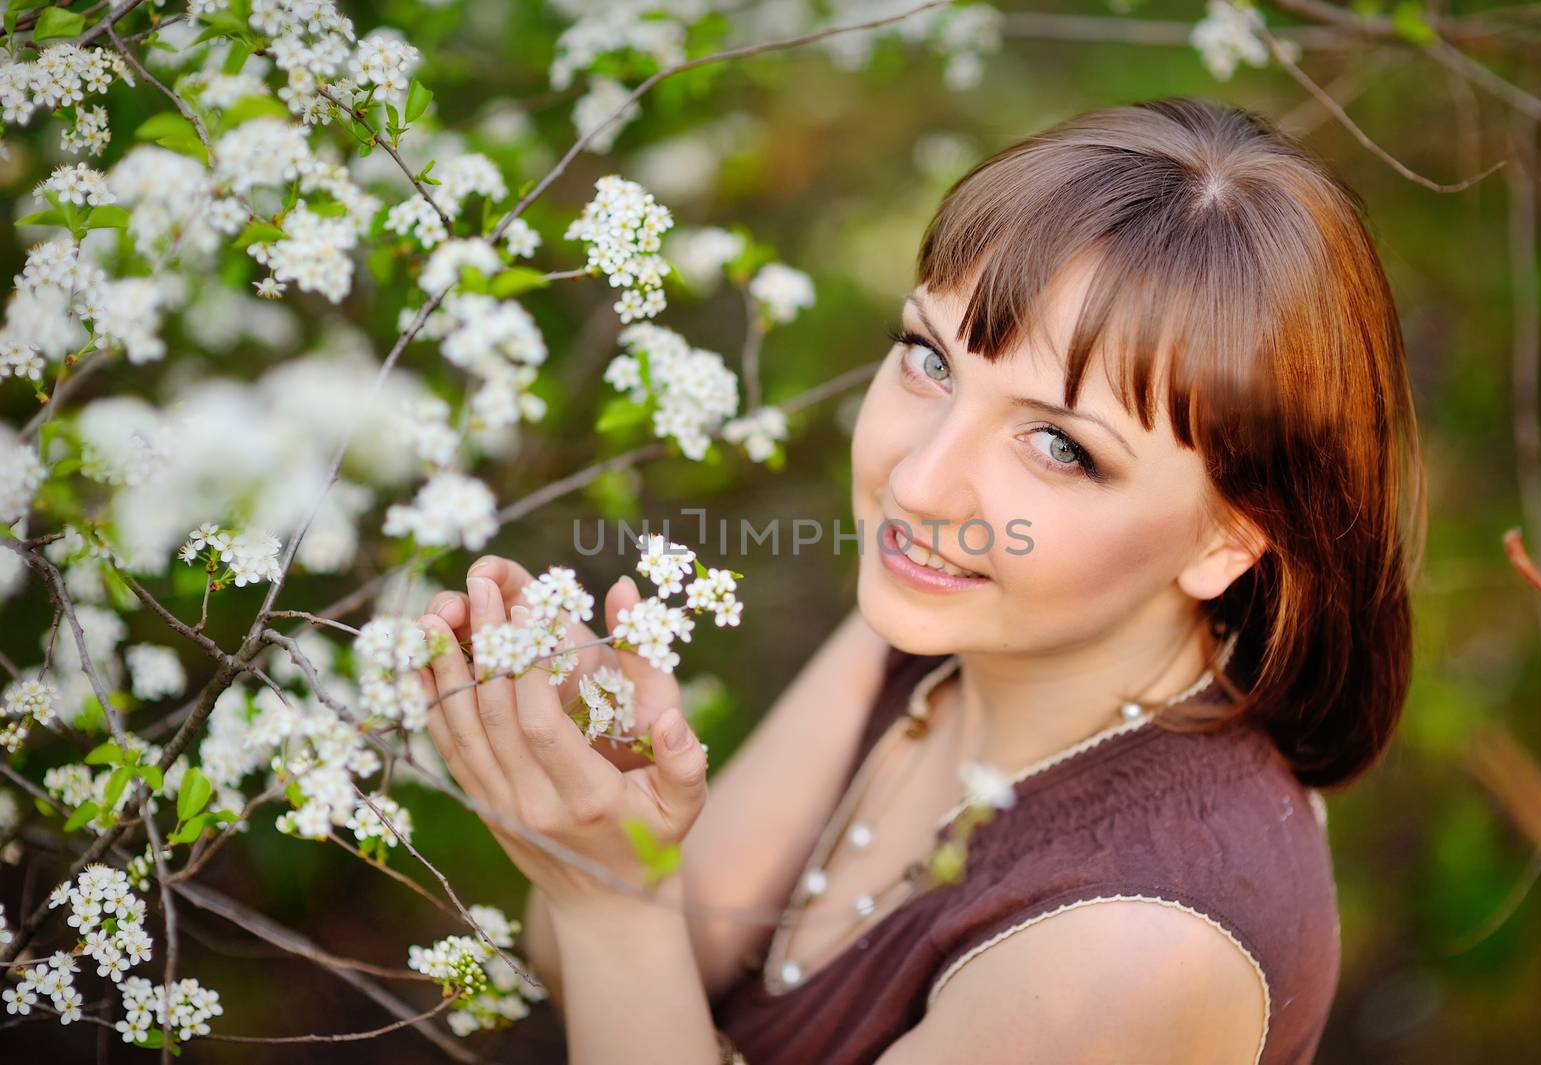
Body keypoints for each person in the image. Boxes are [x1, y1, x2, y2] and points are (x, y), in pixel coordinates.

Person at [414, 95, 1424, 1065]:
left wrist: (611, 903)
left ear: (1230, 539)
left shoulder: (1132, 947)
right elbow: (626, 971)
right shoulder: (935, 627)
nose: (916, 480)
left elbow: (621, 945)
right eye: (928, 359)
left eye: (1060, 447)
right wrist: (602, 838)